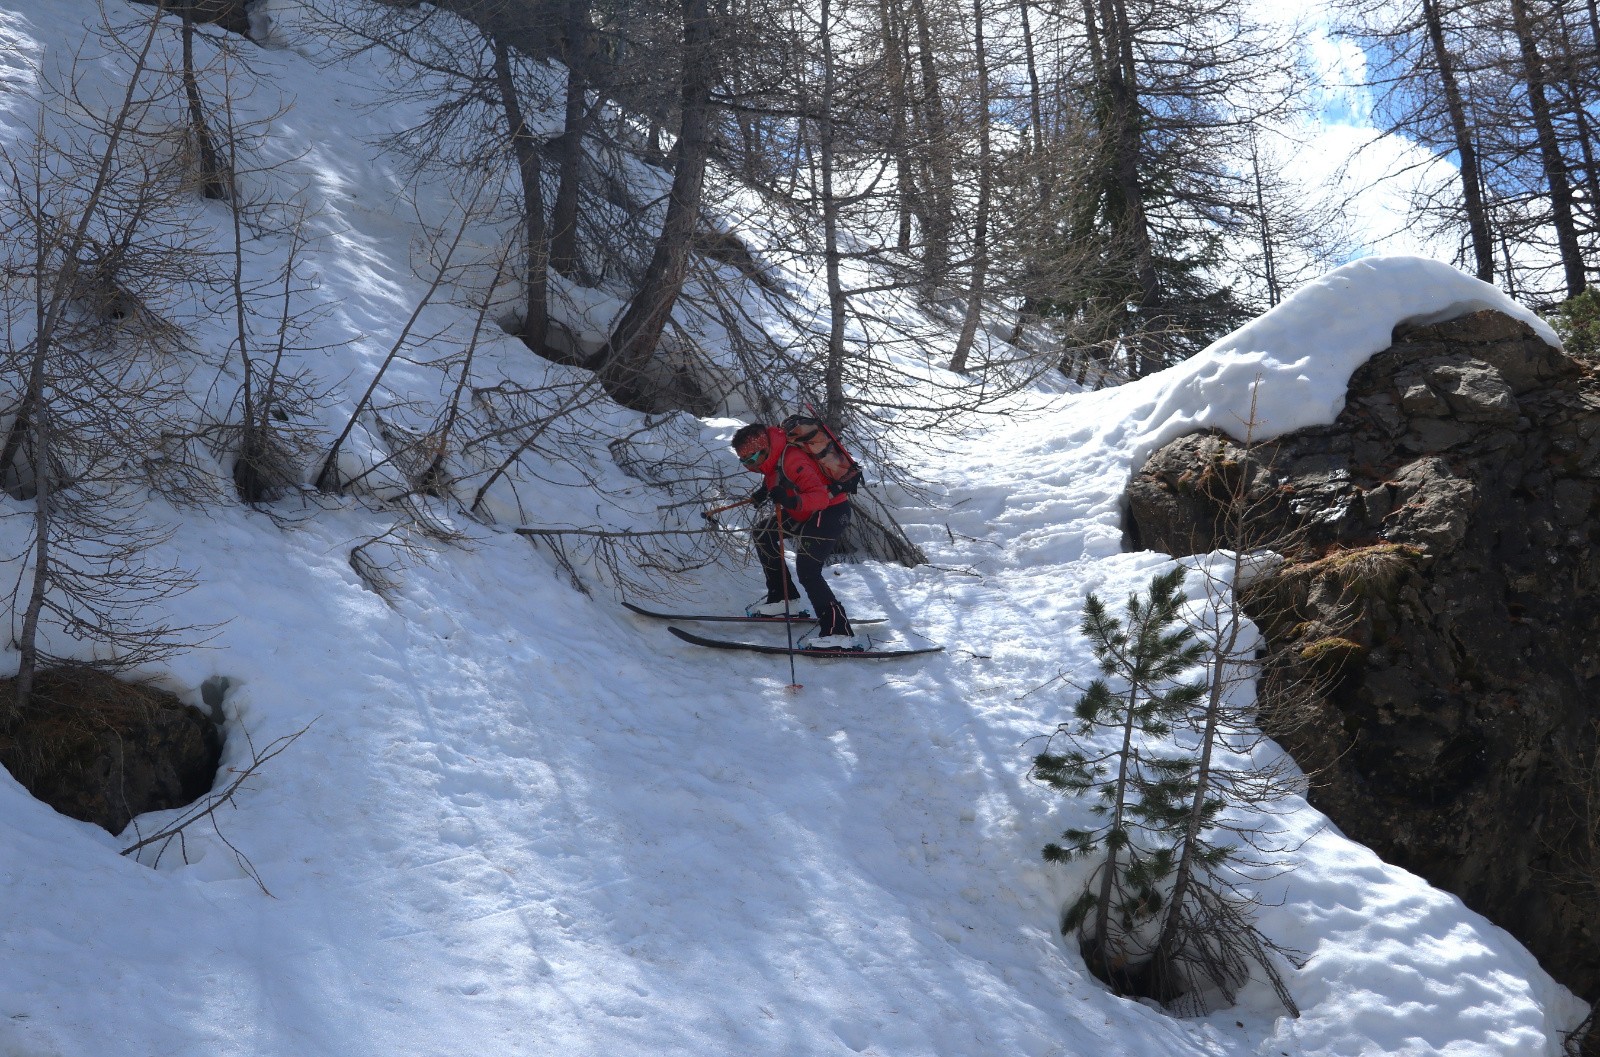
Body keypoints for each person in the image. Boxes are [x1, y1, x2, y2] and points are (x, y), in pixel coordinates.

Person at [730, 421, 856, 648]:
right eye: (744, 461)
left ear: (765, 449)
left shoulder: (793, 460)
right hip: (804, 512)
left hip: (828, 512)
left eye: (752, 459)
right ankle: (783, 599)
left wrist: (789, 500)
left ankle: (839, 632)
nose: (750, 465)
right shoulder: (773, 458)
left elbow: (819, 497)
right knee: (763, 533)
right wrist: (765, 492)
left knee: (808, 570)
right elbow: (776, 477)